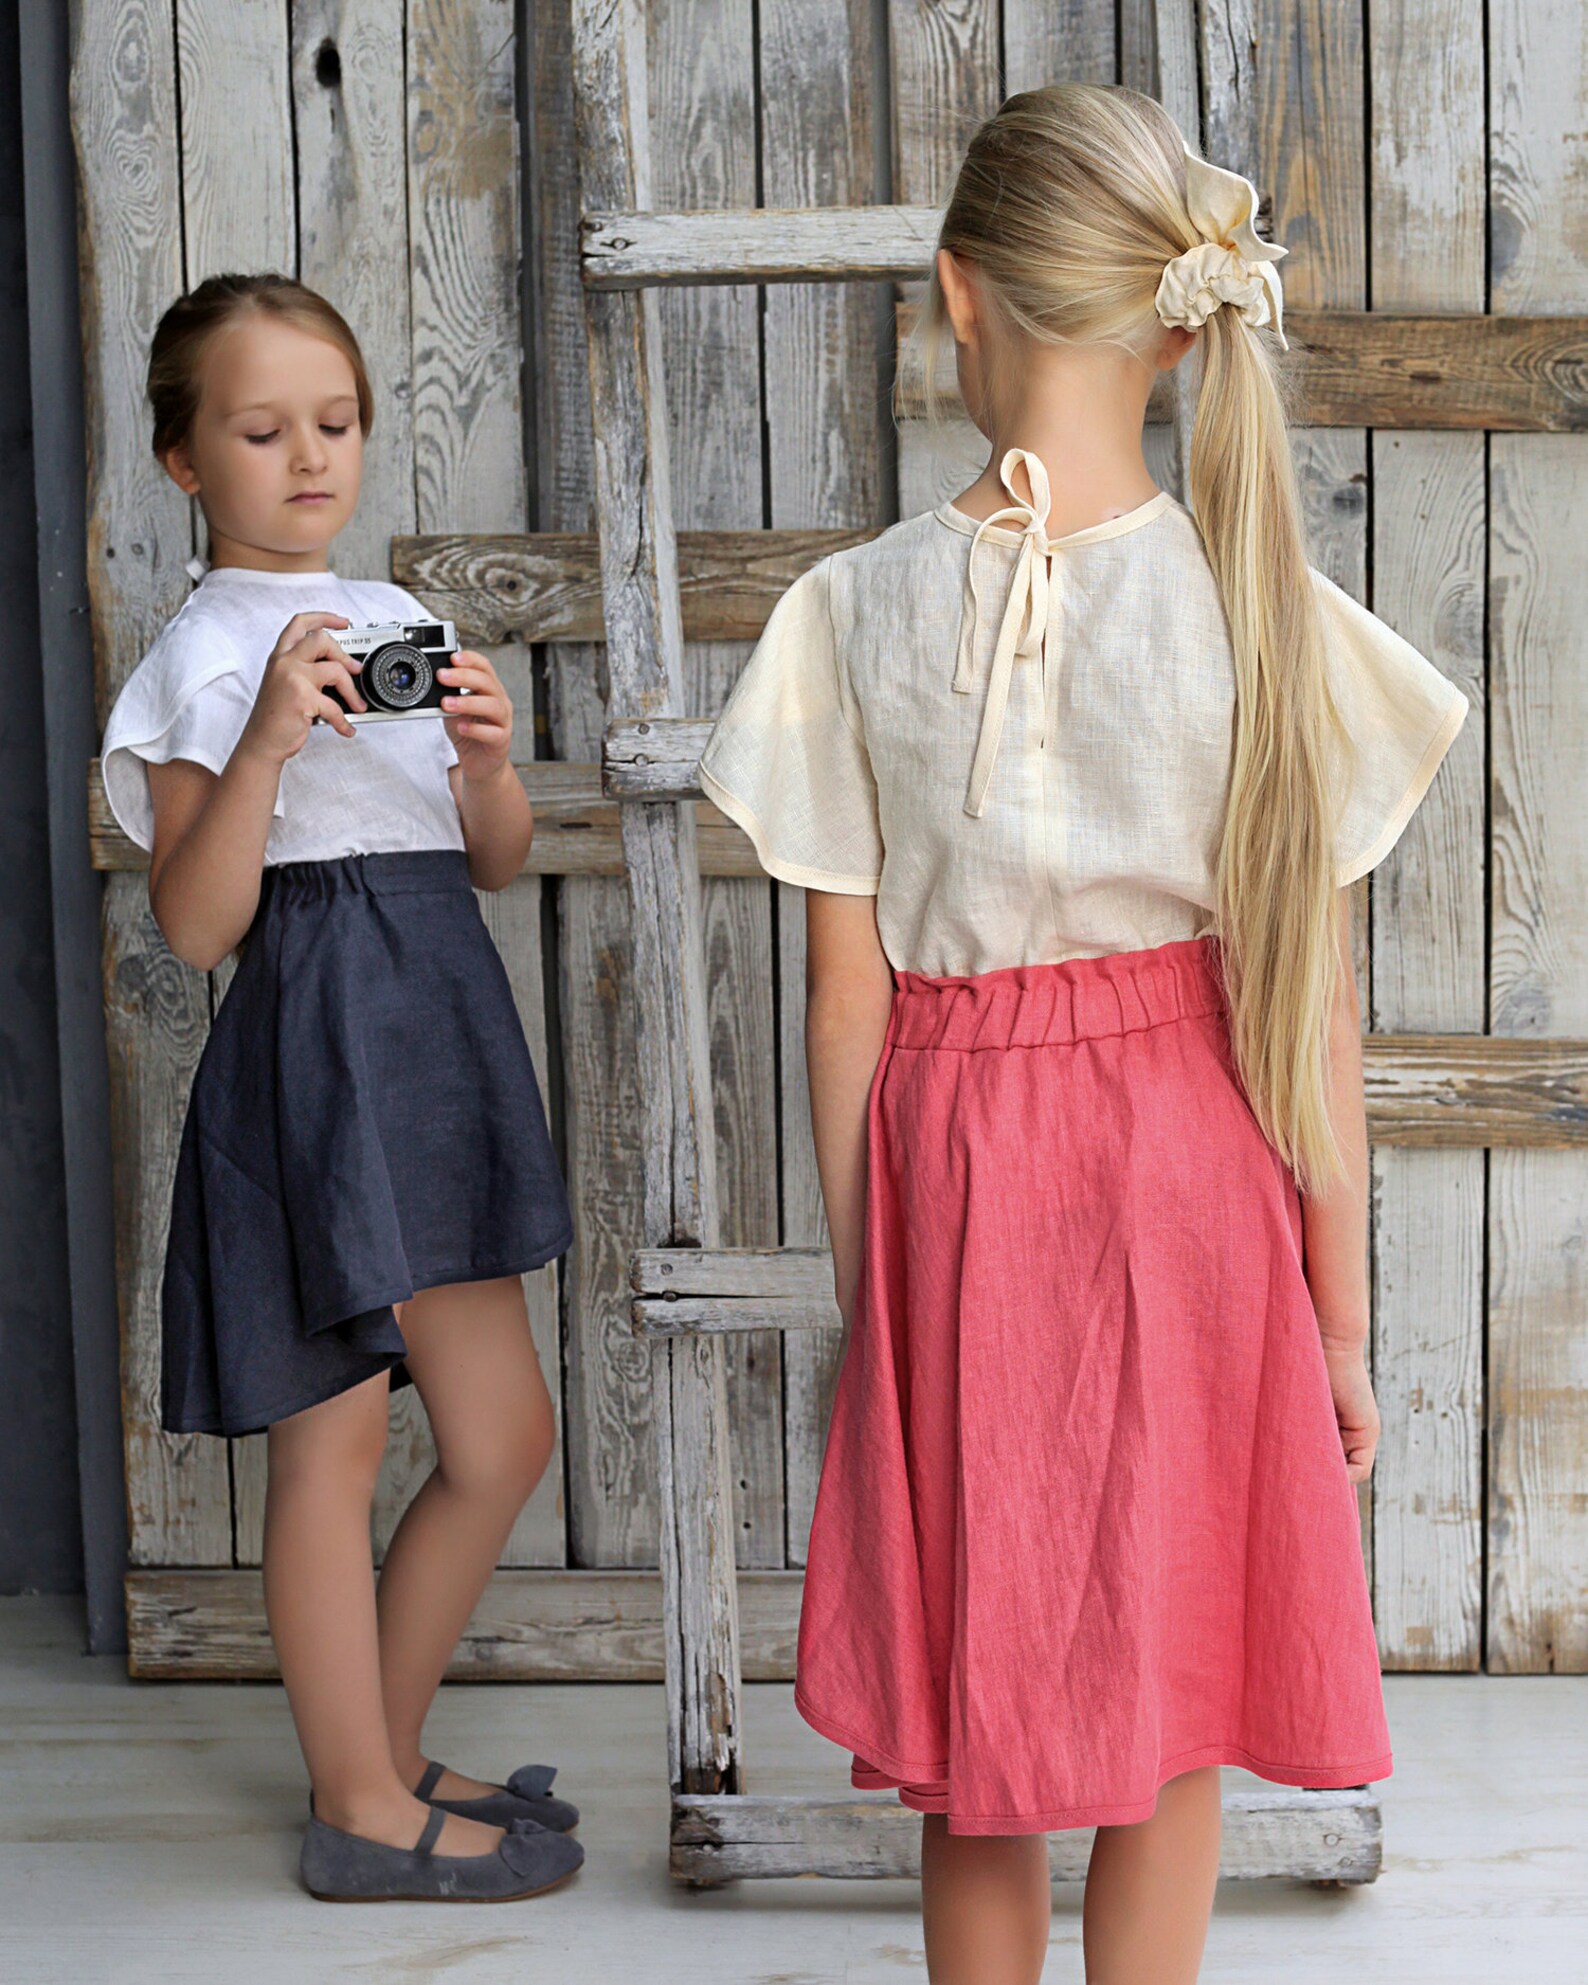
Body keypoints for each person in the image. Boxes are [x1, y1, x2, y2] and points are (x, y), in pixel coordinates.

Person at [698, 85, 1468, 1985]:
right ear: (1183, 322)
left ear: (958, 298)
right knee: (1167, 1696)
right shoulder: (1261, 605)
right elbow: (1313, 1011)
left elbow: (845, 998)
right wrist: (1344, 1316)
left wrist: (886, 1281)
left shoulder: (849, 612)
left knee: (985, 1728)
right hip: (1199, 1174)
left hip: (964, 1192)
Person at [100, 275, 583, 1905]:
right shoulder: (200, 652)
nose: (308, 456)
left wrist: (490, 766)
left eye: (337, 421)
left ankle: (370, 1744)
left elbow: (492, 862)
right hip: (313, 1048)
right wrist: (260, 753)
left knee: (502, 1431)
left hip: (436, 1030)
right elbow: (192, 922)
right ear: (183, 458)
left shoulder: (399, 615)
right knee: (331, 1447)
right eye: (259, 428)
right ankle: (363, 1806)